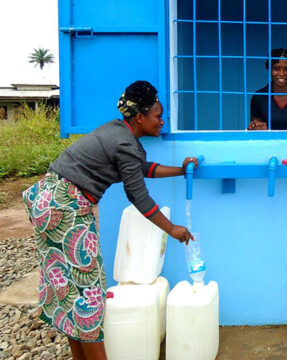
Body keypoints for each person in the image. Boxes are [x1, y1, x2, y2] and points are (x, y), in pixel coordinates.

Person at [22, 80, 198, 360]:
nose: (162, 121)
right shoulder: (125, 142)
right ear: (140, 118)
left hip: (48, 200)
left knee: (70, 291)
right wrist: (172, 229)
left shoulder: (119, 133)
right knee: (89, 295)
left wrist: (181, 169)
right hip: (66, 208)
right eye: (157, 116)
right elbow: (138, 195)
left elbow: (143, 169)